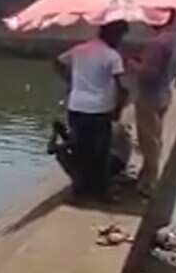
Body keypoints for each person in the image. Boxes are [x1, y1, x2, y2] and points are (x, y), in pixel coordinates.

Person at [54, 21, 129, 201]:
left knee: (80, 149)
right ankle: (101, 192)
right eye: (120, 35)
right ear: (113, 34)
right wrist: (118, 108)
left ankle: (79, 189)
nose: (121, 40)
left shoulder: (80, 49)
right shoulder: (112, 56)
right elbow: (121, 87)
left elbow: (58, 62)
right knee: (100, 152)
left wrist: (71, 81)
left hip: (76, 107)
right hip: (99, 109)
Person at [133, 12, 176, 196]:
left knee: (148, 141)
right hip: (164, 92)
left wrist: (132, 64)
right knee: (155, 137)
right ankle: (146, 175)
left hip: (149, 96)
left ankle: (149, 183)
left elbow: (149, 73)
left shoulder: (158, 43)